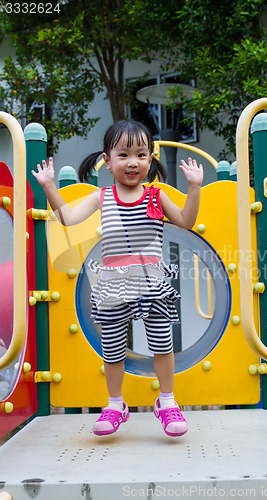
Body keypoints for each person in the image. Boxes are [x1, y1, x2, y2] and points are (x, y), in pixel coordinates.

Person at [32, 119, 203, 438]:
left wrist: (193, 188)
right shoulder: (103, 197)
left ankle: (167, 402)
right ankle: (114, 405)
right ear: (107, 160)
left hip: (151, 282)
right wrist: (49, 187)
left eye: (141, 154)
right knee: (112, 349)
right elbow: (68, 218)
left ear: (150, 160)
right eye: (123, 154)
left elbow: (187, 221)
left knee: (161, 344)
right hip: (113, 284)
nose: (133, 162)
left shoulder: (156, 195)